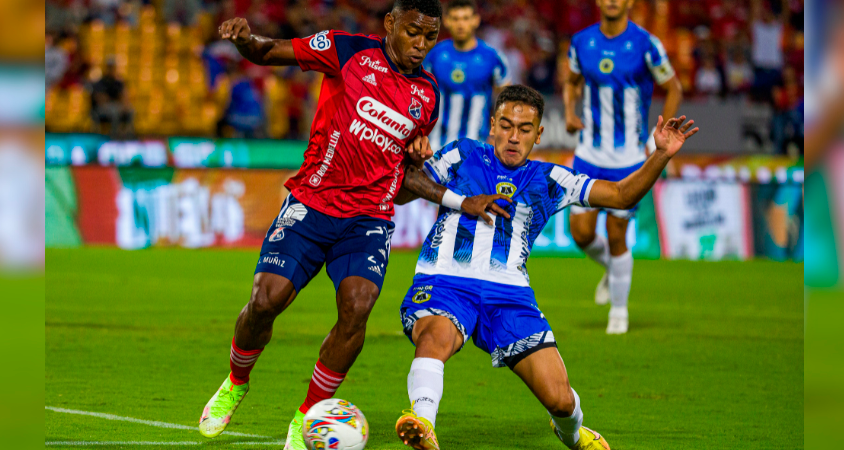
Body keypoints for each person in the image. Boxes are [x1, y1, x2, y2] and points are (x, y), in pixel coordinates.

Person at [193, 2, 501, 449]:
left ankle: (308, 416)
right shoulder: (346, 50)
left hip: (368, 218)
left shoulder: (427, 96)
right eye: (413, 32)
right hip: (312, 201)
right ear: (390, 24)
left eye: (430, 37)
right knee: (265, 300)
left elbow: (400, 176)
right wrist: (245, 40)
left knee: (357, 308)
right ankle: (236, 383)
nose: (421, 45)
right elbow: (268, 51)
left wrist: (438, 181)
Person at [391, 85, 699, 450]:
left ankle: (572, 433)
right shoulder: (461, 154)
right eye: (506, 125)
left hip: (510, 294)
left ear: (538, 134)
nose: (513, 137)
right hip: (446, 280)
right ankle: (423, 420)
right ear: (492, 126)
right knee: (436, 336)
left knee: (561, 401)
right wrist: (414, 163)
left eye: (524, 129)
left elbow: (621, 196)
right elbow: (402, 191)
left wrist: (660, 155)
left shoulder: (550, 180)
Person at [563, 0, 683, 334]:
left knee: (617, 234)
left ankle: (619, 312)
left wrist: (660, 138)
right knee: (581, 233)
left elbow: (673, 87)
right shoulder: (581, 42)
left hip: (629, 157)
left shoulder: (646, 44)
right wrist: (570, 111)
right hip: (589, 153)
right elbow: (571, 82)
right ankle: (613, 270)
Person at [423, 0, 511, 151]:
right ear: (447, 21)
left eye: (465, 18)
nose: (460, 24)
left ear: (476, 20)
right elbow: (420, 95)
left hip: (475, 149)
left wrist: (499, 133)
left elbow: (507, 100)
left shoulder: (493, 58)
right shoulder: (434, 55)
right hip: (436, 147)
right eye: (455, 18)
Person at [90, 58, 133, 139]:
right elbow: (101, 99)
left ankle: (128, 136)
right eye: (109, 67)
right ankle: (114, 136)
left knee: (130, 111)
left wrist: (124, 105)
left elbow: (123, 96)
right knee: (114, 111)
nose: (111, 69)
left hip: (115, 106)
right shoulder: (100, 82)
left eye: (112, 67)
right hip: (101, 109)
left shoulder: (118, 82)